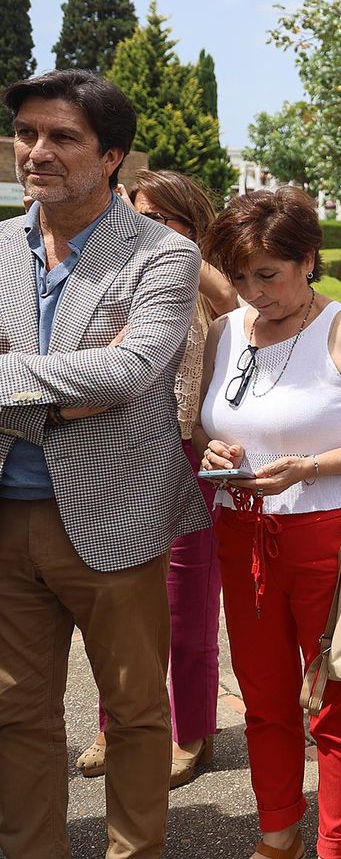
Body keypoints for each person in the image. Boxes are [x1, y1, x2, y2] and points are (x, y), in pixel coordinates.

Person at [0, 71, 207, 859]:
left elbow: (128, 372)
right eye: (26, 133)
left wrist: (15, 380)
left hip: (117, 518)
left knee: (135, 710)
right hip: (8, 516)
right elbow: (98, 378)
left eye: (63, 137)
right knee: (16, 712)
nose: (36, 151)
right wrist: (64, 396)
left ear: (112, 155)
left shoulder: (164, 254)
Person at [198, 186, 341, 859]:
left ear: (308, 259)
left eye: (267, 274)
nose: (253, 292)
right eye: (239, 277)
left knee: (339, 700)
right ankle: (278, 832)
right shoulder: (226, 331)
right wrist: (214, 449)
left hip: (330, 534)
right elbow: (207, 423)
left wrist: (309, 467)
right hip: (242, 532)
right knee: (262, 695)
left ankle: (337, 845)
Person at [75, 170, 240, 789]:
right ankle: (115, 723)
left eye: (162, 220)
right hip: (115, 458)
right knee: (115, 606)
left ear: (192, 229)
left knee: (185, 608)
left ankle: (190, 731)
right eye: (137, 217)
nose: (145, 231)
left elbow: (240, 305)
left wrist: (180, 252)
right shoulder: (113, 276)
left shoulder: (206, 289)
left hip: (187, 459)